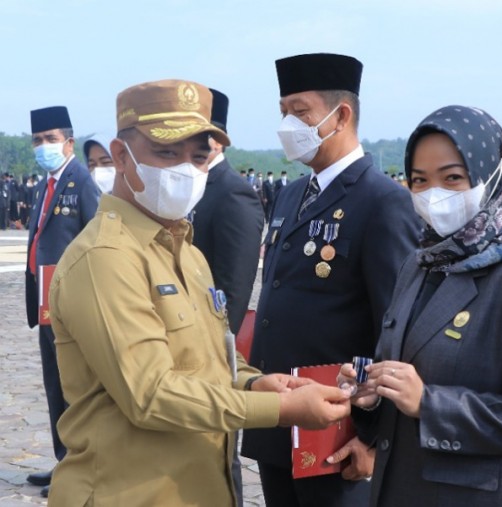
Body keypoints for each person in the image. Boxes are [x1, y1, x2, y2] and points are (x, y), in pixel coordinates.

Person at [47, 79, 351, 507]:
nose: (184, 169)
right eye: (167, 153)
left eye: (198, 156)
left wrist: (258, 383)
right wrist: (283, 411)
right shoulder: (105, 258)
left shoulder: (187, 252)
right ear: (120, 156)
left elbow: (210, 360)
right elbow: (151, 394)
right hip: (130, 492)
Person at [335, 105, 502, 506]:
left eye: (452, 178)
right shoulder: (420, 262)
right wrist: (373, 395)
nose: (434, 195)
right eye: (419, 180)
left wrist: (430, 404)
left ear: (492, 176)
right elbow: (401, 374)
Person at [241, 53, 420, 507]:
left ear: (341, 116)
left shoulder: (381, 201)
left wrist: (374, 436)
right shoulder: (291, 194)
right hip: (280, 417)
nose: (288, 124)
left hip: (337, 432)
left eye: (300, 112)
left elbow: (394, 327)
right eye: (283, 111)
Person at [190, 87, 265, 506]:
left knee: (220, 456)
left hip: (213, 354)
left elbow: (232, 292)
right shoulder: (193, 184)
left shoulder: (231, 192)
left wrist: (215, 352)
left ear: (216, 137)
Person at [25, 106, 100, 497]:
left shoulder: (81, 182)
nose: (43, 146)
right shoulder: (44, 185)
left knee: (74, 390)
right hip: (45, 304)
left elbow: (97, 241)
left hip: (70, 306)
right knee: (54, 386)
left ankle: (79, 467)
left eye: (50, 139)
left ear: (68, 142)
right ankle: (62, 462)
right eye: (37, 140)